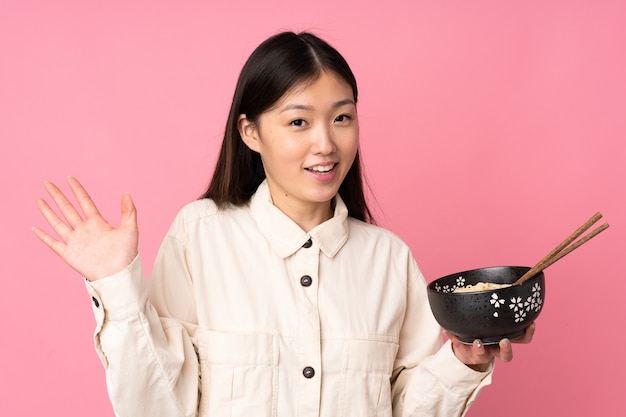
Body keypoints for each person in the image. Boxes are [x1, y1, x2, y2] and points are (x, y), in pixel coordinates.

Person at [33, 31, 534, 417]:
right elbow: (158, 405)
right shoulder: (200, 236)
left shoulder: (388, 257)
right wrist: (117, 288)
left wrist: (464, 362)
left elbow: (404, 408)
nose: (325, 144)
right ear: (250, 132)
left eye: (341, 118)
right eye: (298, 122)